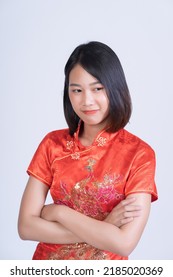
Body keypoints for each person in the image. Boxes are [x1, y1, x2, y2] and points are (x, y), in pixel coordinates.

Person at [18, 41, 158, 260]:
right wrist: (104, 227)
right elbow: (26, 227)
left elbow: (123, 243)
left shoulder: (139, 154)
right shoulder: (52, 144)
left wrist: (58, 213)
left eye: (97, 88)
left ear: (115, 88)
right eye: (76, 90)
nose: (87, 100)